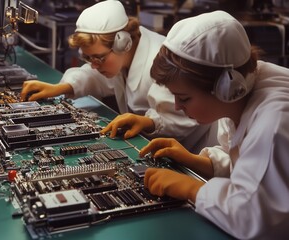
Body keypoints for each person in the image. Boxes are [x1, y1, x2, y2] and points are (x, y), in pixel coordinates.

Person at [140, 10, 289, 239]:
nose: (178, 106)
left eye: (185, 98)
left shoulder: (274, 121)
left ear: (225, 88)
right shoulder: (245, 86)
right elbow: (245, 162)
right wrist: (196, 161)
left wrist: (193, 188)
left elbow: (256, 218)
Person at [20, 0, 217, 153]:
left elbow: (182, 117)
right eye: (87, 58)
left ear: (123, 43)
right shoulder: (120, 57)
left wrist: (148, 122)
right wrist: (60, 88)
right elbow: (95, 75)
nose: (94, 65)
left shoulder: (159, 60)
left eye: (99, 58)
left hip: (194, 151)